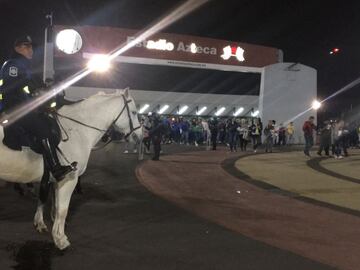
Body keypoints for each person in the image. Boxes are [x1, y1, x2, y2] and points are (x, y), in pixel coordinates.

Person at [0, 35, 76, 181]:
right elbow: (12, 91)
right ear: (17, 48)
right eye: (26, 46)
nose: (31, 50)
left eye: (31, 47)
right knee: (43, 129)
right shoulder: (13, 66)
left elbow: (30, 88)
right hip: (14, 109)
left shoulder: (23, 66)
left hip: (21, 107)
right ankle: (56, 168)